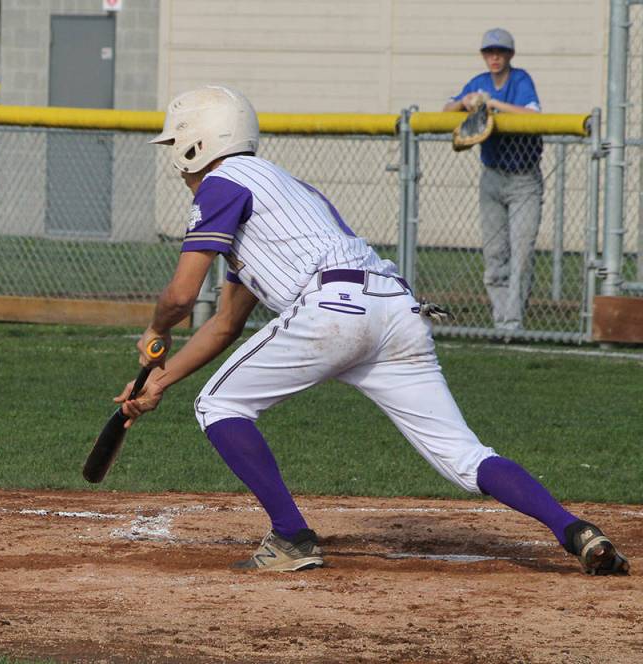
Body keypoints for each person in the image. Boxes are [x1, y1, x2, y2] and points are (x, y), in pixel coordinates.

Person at [116, 84, 629, 575]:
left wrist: (154, 331)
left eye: (177, 144)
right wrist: (160, 379)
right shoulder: (283, 191)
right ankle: (575, 530)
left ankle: (291, 537)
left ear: (197, 144)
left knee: (219, 405)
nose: (175, 157)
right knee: (465, 456)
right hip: (396, 310)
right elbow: (226, 322)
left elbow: (182, 297)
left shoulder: (221, 183)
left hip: (333, 307)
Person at [443, 28, 543, 333]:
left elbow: (533, 117)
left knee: (521, 253)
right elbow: (447, 109)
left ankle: (513, 322)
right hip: (493, 177)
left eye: (500, 52)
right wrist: (466, 101)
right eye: (489, 52)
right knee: (494, 254)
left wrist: (493, 104)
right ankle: (503, 322)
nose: (494, 57)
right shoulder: (479, 82)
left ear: (510, 55)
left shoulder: (521, 79)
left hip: (524, 179)